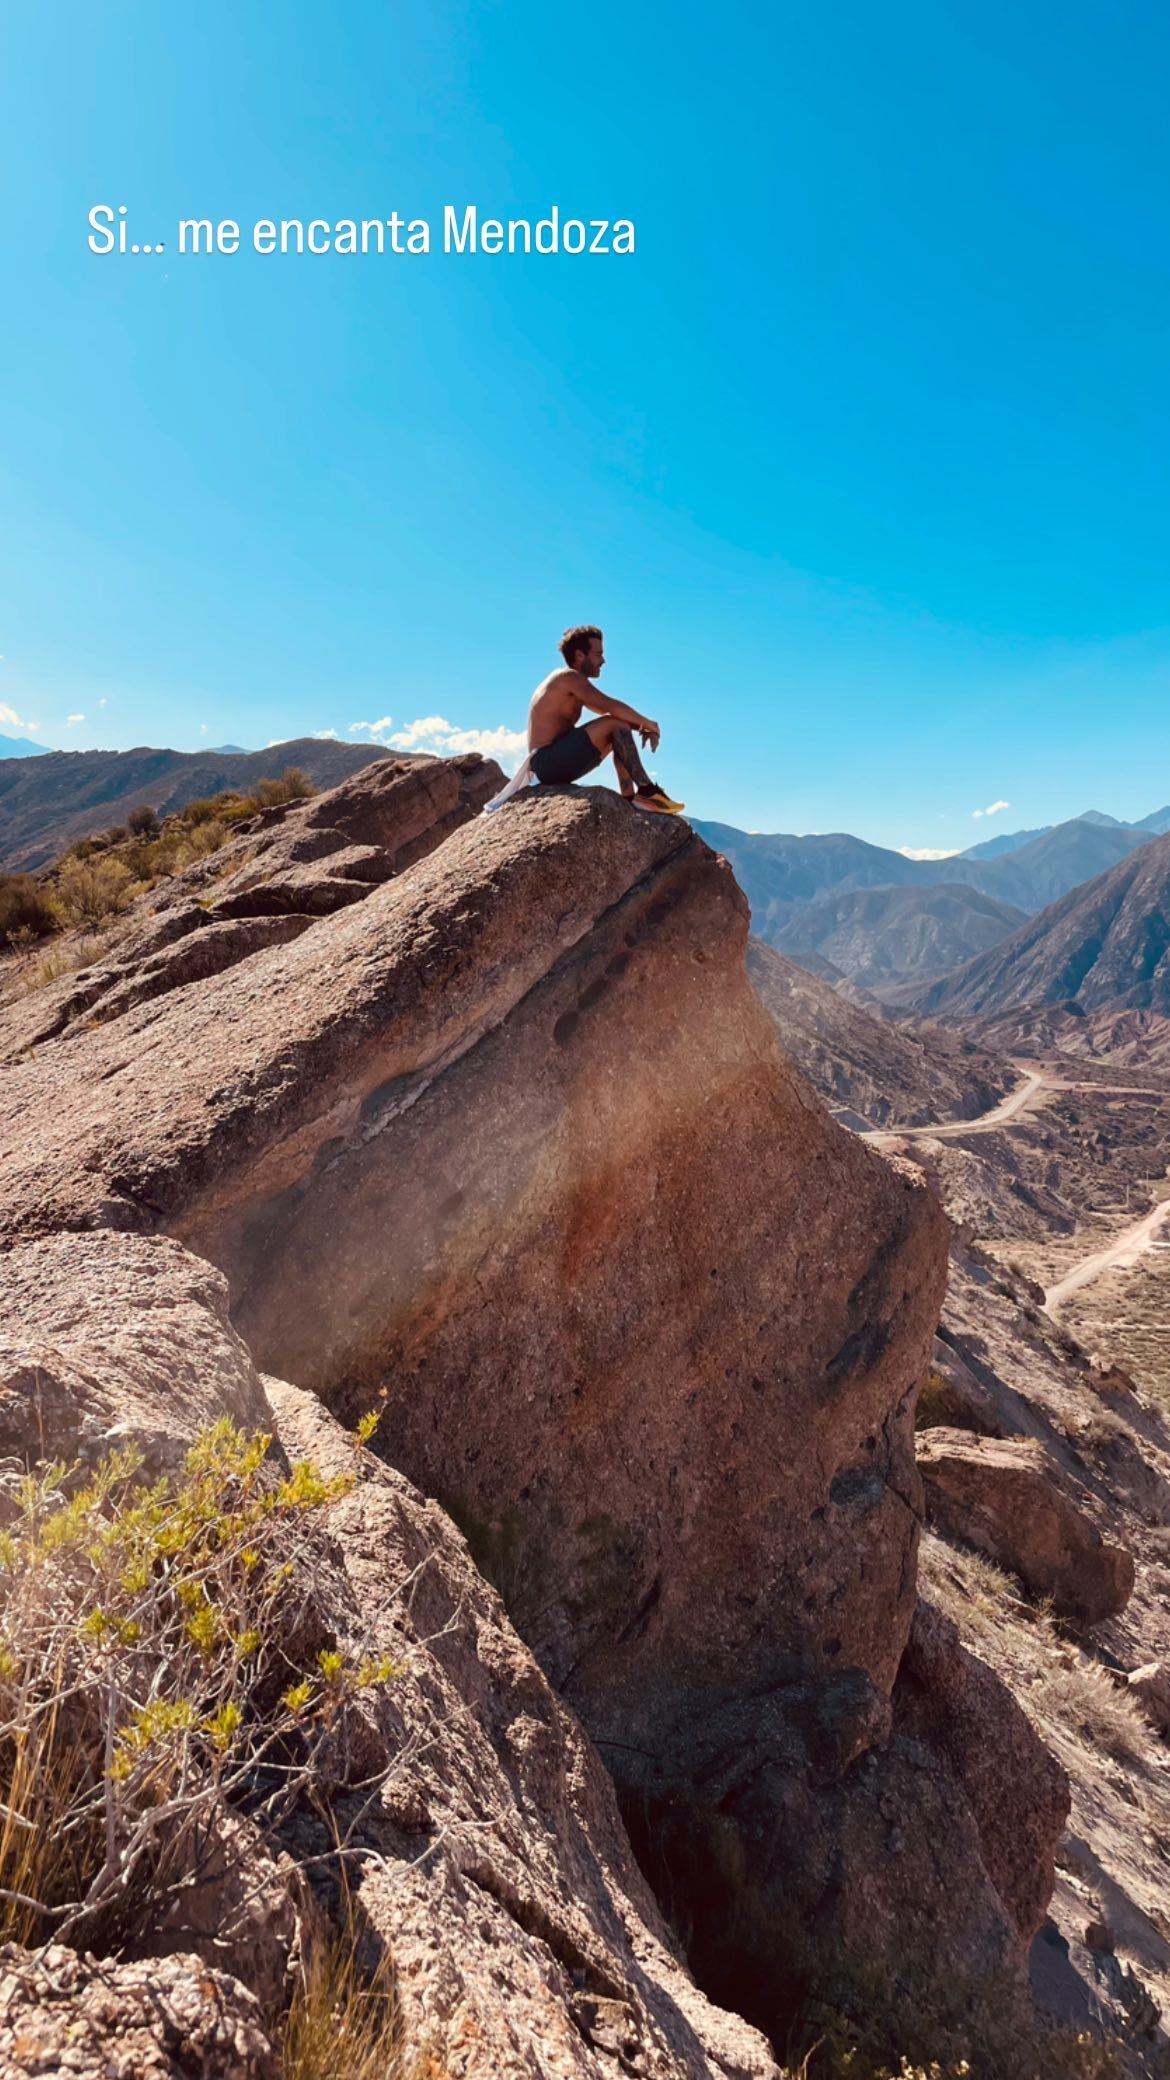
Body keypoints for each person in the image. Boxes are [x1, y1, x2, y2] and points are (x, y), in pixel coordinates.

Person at [501, 626, 684, 815]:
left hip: (554, 762)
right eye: (598, 654)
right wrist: (649, 724)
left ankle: (631, 799)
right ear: (580, 655)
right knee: (615, 724)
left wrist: (641, 727)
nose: (603, 661)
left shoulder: (573, 684)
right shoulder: (568, 677)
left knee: (617, 729)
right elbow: (609, 706)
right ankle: (646, 791)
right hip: (547, 761)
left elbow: (613, 715)